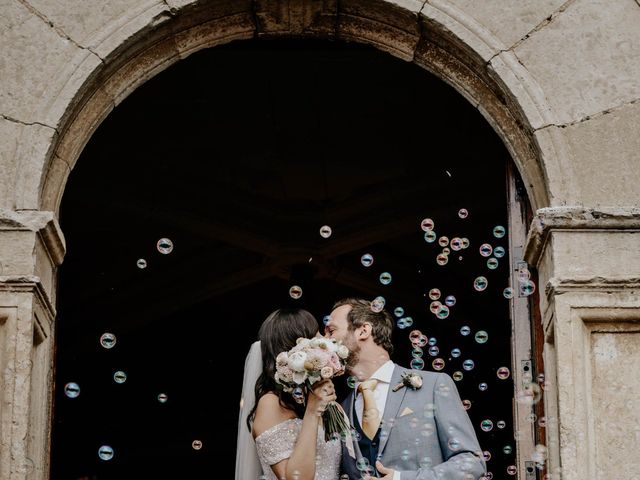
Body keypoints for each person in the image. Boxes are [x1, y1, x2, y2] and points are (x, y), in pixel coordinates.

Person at [325, 298, 486, 480]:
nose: (324, 341)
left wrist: (402, 478)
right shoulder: (340, 409)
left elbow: (471, 463)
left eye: (331, 331)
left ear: (363, 330)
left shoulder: (433, 385)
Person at [236, 308, 342, 480]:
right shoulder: (271, 403)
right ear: (296, 349)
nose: (324, 340)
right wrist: (312, 411)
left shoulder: (326, 404)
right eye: (316, 336)